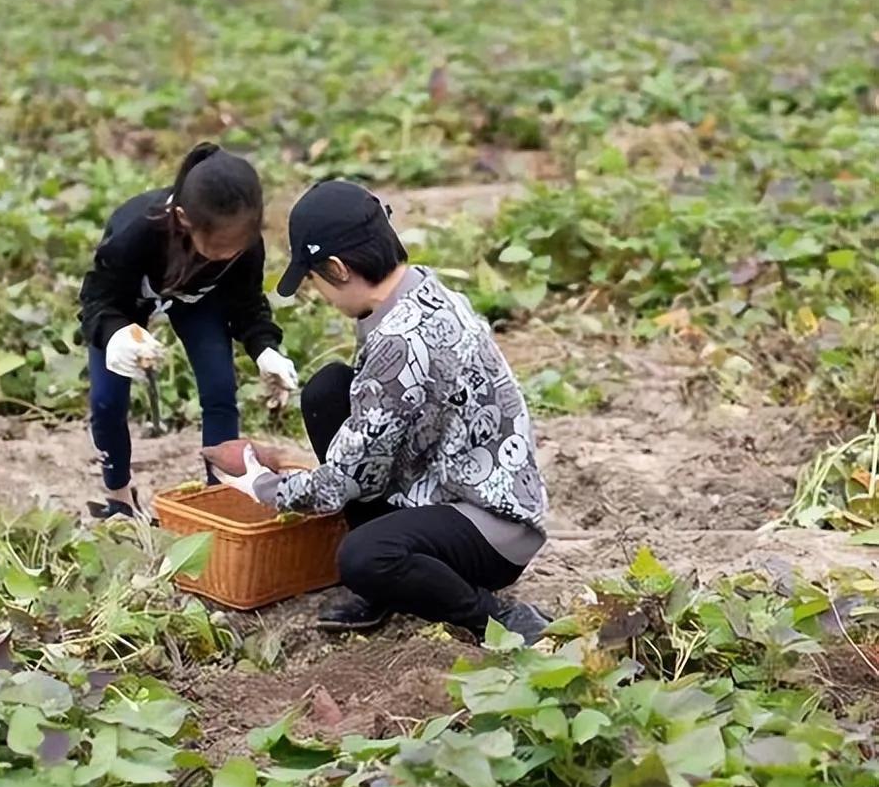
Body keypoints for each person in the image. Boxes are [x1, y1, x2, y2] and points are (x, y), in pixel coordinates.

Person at [219, 180, 551, 644]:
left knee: (362, 557)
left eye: (314, 281)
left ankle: (495, 620)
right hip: (452, 478)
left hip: (492, 526)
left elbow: (342, 482)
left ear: (337, 269)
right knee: (328, 390)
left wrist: (264, 486)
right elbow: (374, 434)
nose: (320, 294)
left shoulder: (401, 340)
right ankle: (392, 583)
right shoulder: (417, 290)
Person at [79, 144, 300, 519]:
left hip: (198, 301)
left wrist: (266, 349)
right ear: (183, 219)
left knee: (219, 388)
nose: (228, 254)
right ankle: (119, 496)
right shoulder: (137, 231)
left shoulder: (244, 247)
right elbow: (97, 300)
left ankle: (220, 496)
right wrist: (115, 334)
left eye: (237, 246)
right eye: (216, 247)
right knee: (106, 399)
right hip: (125, 302)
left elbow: (247, 304)